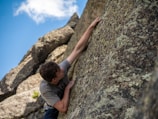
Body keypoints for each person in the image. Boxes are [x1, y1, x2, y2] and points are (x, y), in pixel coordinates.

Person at [39, 17, 101, 119]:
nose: (62, 70)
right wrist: (67, 89)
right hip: (53, 107)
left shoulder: (60, 68)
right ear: (53, 79)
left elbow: (77, 49)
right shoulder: (46, 89)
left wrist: (91, 27)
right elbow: (63, 108)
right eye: (60, 72)